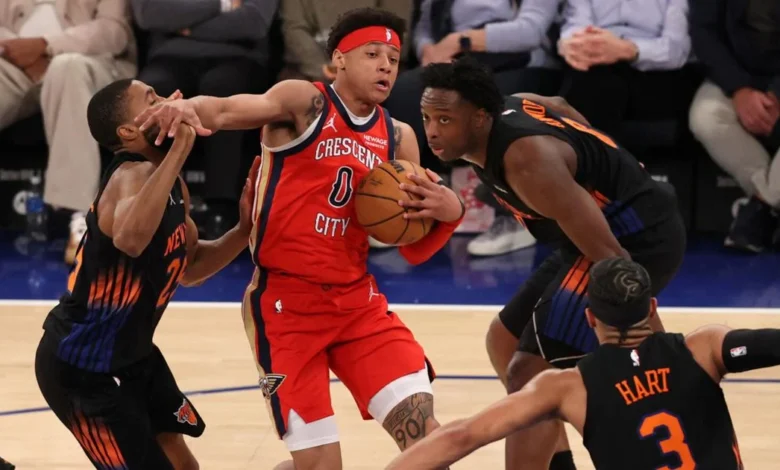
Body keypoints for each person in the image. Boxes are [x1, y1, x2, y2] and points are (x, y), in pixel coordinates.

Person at [133, 8, 465, 470]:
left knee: (429, 444)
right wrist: (191, 107)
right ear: (339, 59)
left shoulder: (398, 137)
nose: (386, 66)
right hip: (286, 308)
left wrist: (450, 215)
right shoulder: (304, 102)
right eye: (372, 54)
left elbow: (411, 249)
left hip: (357, 305)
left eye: (393, 58)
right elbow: (227, 109)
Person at [416, 58, 686, 469]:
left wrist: (647, 339)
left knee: (529, 372)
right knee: (504, 340)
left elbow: (614, 260)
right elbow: (558, 103)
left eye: (445, 120)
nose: (432, 131)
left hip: (633, 240)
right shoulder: (508, 109)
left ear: (479, 119)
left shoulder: (527, 160)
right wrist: (605, 161)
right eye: (427, 118)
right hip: (592, 235)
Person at [34, 78, 259, 470]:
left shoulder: (168, 181)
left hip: (134, 356)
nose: (170, 100)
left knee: (185, 466)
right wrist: (183, 145)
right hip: (82, 368)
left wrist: (243, 231)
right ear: (128, 131)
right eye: (152, 100)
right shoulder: (130, 175)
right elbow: (131, 238)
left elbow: (189, 268)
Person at [386, 257, 777, 469]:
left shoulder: (568, 387)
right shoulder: (704, 348)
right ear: (652, 308)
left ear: (590, 318)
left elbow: (462, 436)